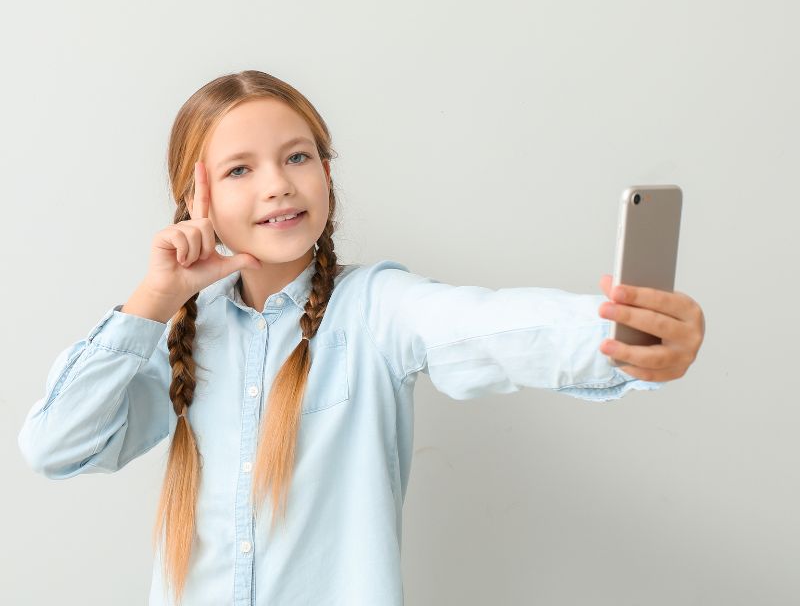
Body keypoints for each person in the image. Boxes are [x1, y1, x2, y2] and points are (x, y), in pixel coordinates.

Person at [17, 70, 706, 606]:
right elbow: (56, 445)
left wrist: (625, 335)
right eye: (239, 169)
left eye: (297, 157)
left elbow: (488, 325)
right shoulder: (180, 340)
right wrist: (154, 299)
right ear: (195, 201)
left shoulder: (376, 308)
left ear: (326, 173)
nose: (278, 186)